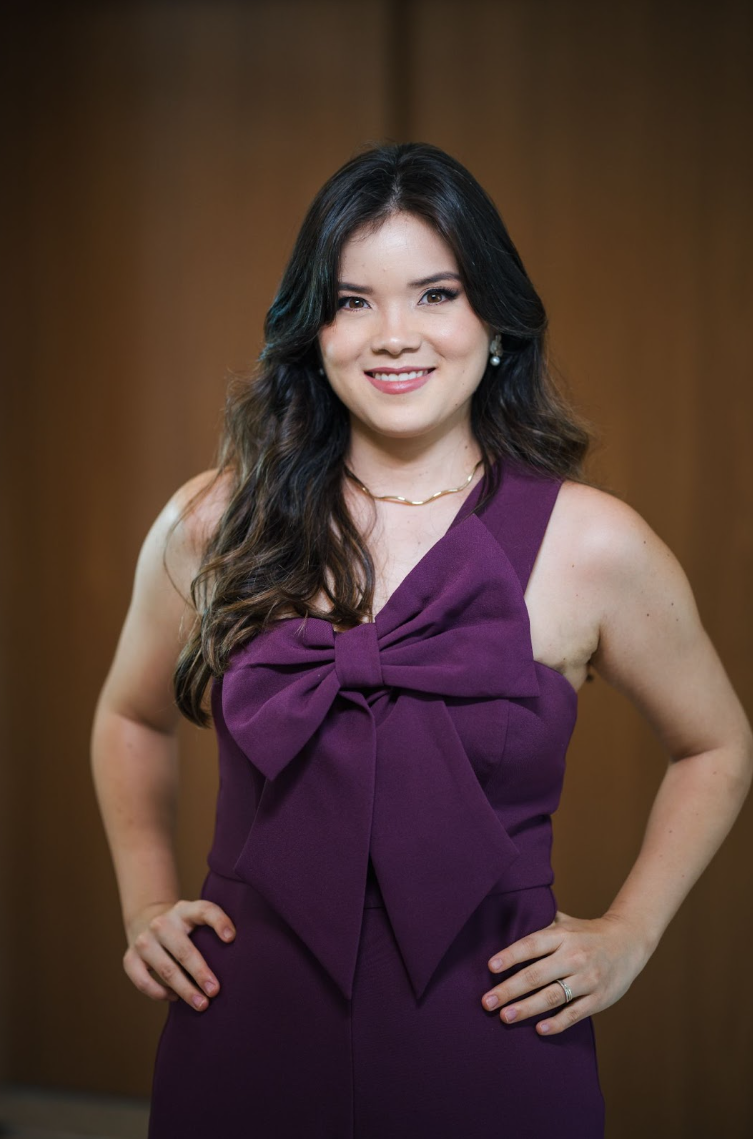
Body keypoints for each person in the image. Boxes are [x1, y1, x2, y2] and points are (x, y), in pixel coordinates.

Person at [91, 141, 752, 1138]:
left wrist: (630, 931)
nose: (393, 335)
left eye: (435, 294)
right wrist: (146, 904)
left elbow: (717, 745)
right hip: (244, 1019)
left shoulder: (596, 543)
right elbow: (130, 716)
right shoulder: (212, 523)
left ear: (495, 320)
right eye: (353, 301)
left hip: (493, 1028)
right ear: (314, 330)